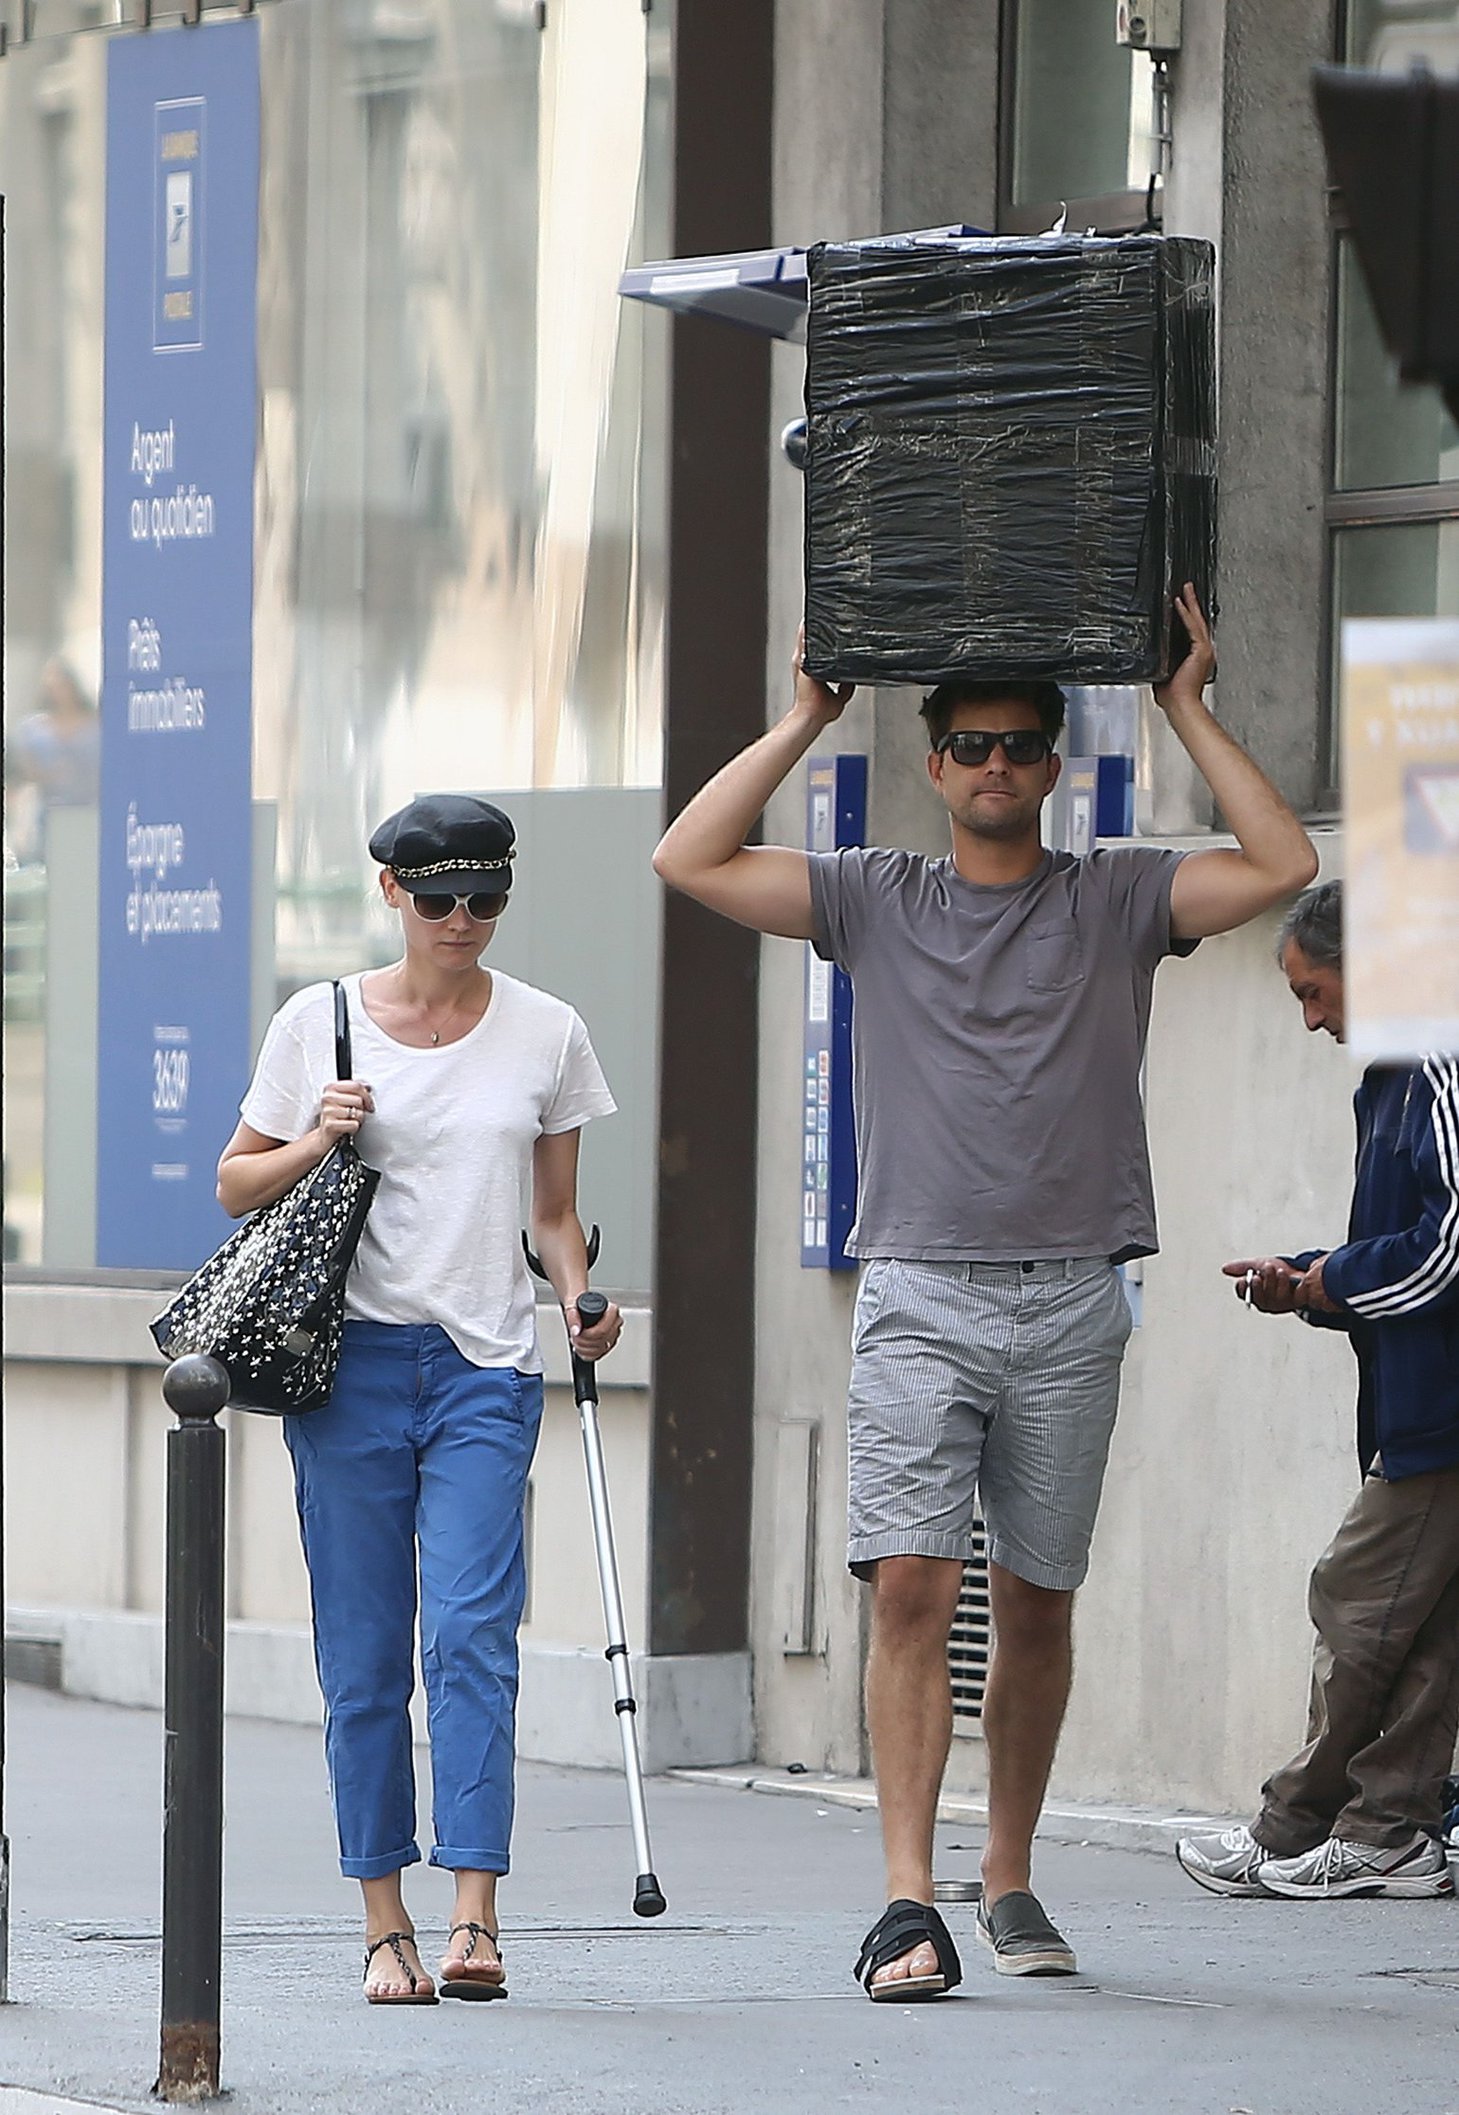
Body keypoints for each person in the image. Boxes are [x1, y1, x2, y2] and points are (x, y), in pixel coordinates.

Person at [653, 588, 1317, 1998]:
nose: (995, 765)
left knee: (1034, 1600)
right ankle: (907, 1899)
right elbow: (687, 853)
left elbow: (1278, 858)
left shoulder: (1118, 894)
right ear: (938, 761)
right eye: (969, 745)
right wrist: (806, 715)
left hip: (1072, 1295)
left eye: (1020, 743)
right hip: (916, 1290)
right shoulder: (870, 894)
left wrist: (1185, 703)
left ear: (1052, 761)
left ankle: (1005, 1868)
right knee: (908, 1585)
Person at [217, 793, 621, 2003]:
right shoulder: (320, 1021)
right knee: (363, 1655)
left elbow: (552, 1215)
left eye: (486, 897)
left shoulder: (547, 1032)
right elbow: (238, 1186)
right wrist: (318, 1137)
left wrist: (582, 1301)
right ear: (390, 890)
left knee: (470, 1636)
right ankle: (383, 1919)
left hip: (484, 1366)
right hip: (347, 1369)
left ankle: (476, 1914)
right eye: (438, 896)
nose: (462, 919)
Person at [1177, 880, 1459, 1900]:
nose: (1312, 1018)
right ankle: (1389, 1831)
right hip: (1417, 1401)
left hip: (1439, 1413)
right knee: (1423, 1633)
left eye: (1316, 990)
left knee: (1354, 1603)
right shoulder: (1393, 1075)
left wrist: (1327, 1280)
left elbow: (1448, 1249)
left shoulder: (1435, 1064)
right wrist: (1306, 1280)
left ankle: (1289, 1826)